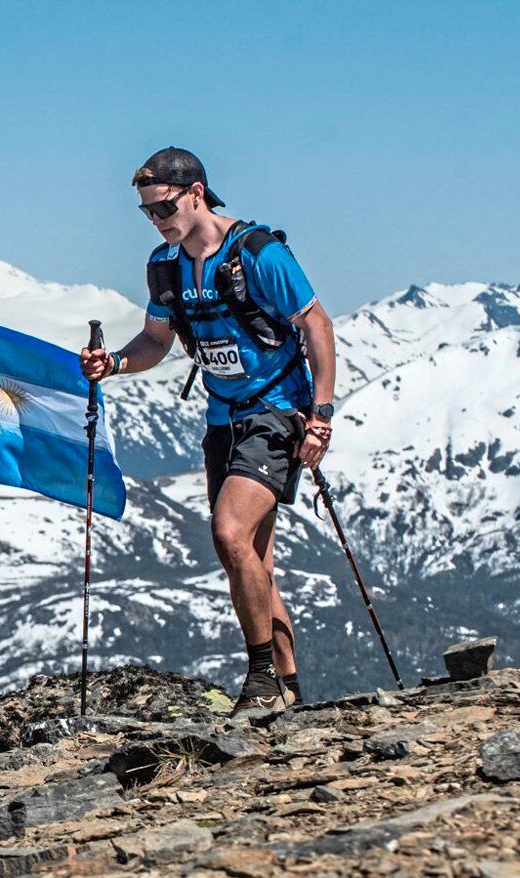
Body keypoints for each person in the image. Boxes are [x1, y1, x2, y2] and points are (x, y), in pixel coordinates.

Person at [81, 148, 337, 715]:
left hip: (277, 411)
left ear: (196, 193)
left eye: (164, 207)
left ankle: (260, 679)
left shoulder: (258, 254)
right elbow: (156, 340)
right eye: (147, 212)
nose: (157, 220)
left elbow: (316, 325)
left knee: (229, 532)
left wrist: (320, 417)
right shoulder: (165, 266)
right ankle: (289, 690)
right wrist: (114, 364)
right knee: (252, 560)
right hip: (222, 419)